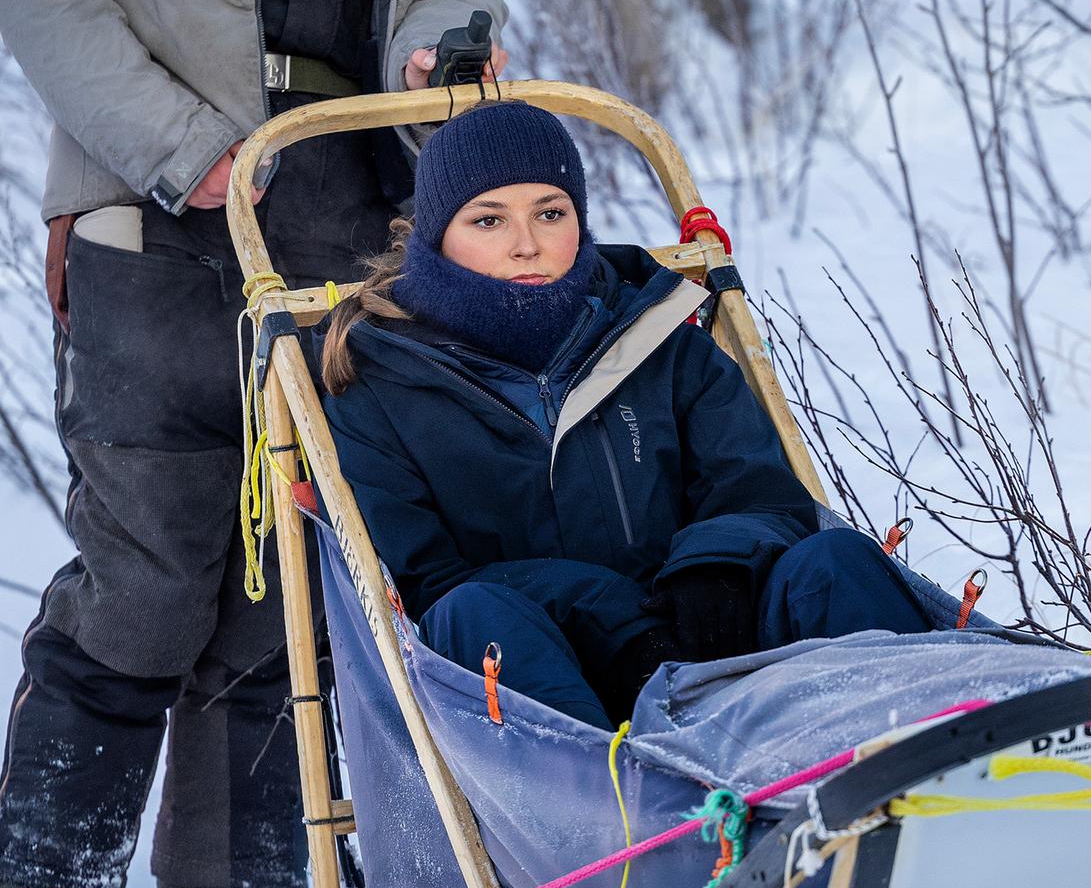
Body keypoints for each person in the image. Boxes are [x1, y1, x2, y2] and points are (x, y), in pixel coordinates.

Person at [0, 0, 508, 888]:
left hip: (353, 218)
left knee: (288, 586)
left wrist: (433, 58)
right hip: (157, 203)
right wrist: (180, 145)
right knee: (146, 579)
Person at [318, 100, 931, 730]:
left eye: (550, 214)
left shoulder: (660, 340)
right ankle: (614, 794)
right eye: (489, 220)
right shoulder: (378, 384)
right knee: (472, 613)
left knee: (834, 561)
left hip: (706, 636)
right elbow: (424, 584)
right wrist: (608, 616)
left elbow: (761, 493)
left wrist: (714, 565)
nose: (527, 246)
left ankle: (922, 749)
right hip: (540, 693)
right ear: (437, 236)